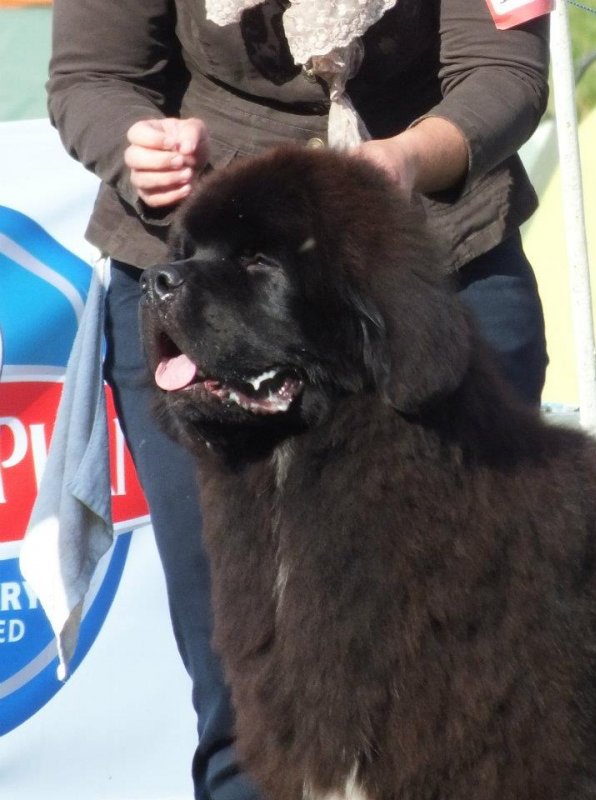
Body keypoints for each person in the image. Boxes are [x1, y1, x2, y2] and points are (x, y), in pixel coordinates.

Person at [47, 1, 550, 798]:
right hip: (204, 283)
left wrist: (406, 159)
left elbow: (504, 73)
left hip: (425, 275)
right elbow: (91, 77)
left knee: (475, 680)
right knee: (251, 701)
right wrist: (135, 145)